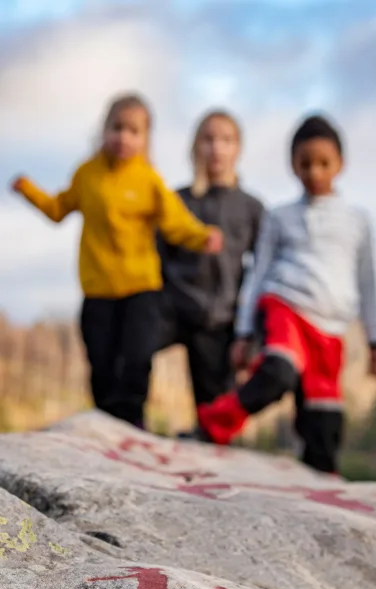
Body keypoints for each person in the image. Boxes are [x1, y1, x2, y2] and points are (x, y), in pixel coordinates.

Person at [11, 93, 223, 429]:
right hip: (98, 287)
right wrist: (28, 191)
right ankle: (106, 423)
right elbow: (57, 209)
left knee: (137, 357)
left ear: (144, 138)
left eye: (134, 131)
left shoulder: (148, 179)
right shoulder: (87, 174)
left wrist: (202, 236)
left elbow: (175, 222)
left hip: (141, 286)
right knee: (102, 361)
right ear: (104, 129)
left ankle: (133, 423)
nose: (124, 137)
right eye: (117, 128)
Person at [195, 114, 376, 474]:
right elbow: (259, 271)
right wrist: (244, 333)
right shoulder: (280, 217)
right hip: (284, 306)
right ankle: (212, 425)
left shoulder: (356, 220)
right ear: (293, 166)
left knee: (323, 423)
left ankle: (320, 477)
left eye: (323, 163)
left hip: (330, 327)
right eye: (305, 163)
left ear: (340, 164)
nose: (314, 171)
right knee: (279, 371)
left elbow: (368, 282)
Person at [157, 110, 263, 411]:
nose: (216, 148)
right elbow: (156, 255)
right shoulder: (175, 201)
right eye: (208, 139)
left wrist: (250, 332)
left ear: (237, 148)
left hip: (221, 320)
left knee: (213, 406)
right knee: (130, 351)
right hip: (173, 310)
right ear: (195, 146)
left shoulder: (252, 208)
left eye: (226, 140)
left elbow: (263, 270)